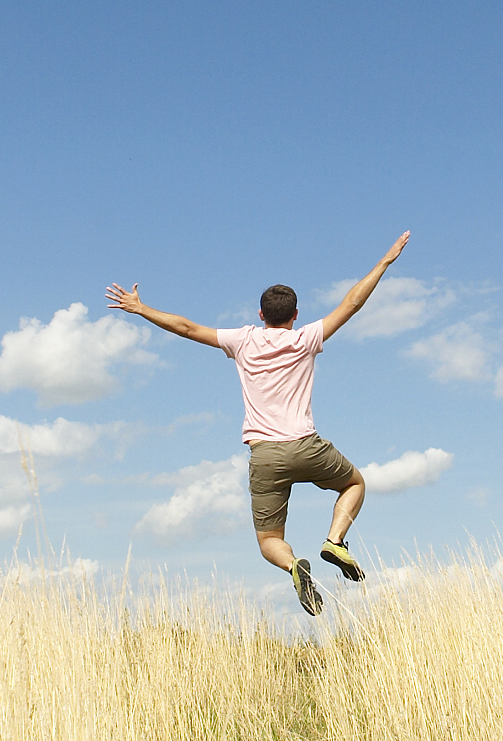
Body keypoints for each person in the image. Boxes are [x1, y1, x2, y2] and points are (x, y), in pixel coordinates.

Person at [106, 232, 411, 616]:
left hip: (265, 456)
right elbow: (352, 303)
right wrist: (384, 262)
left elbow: (185, 327)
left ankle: (293, 565)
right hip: (307, 446)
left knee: (269, 540)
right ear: (295, 315)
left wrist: (140, 307)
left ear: (260, 314)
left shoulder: (243, 341)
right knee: (354, 483)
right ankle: (335, 540)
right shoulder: (305, 339)